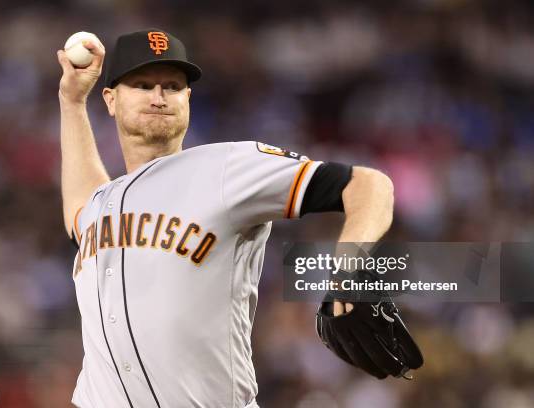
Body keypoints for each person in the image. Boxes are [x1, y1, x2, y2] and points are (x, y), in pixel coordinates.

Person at [56, 28, 398, 408]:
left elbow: (369, 186)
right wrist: (71, 102)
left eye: (172, 86)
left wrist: (346, 273)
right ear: (111, 99)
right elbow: (79, 206)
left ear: (188, 98)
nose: (158, 97)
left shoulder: (226, 167)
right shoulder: (102, 205)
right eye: (142, 84)